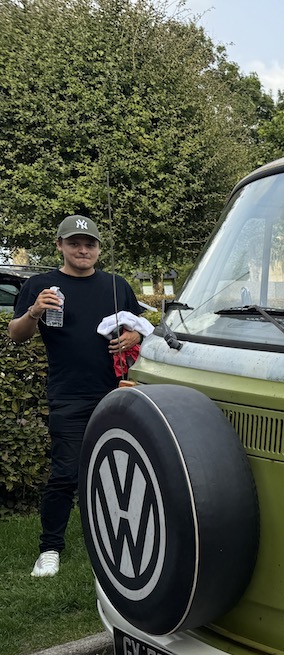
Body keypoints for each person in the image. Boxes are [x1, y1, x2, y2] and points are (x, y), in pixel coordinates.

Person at [8, 215, 143, 577]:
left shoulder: (117, 285)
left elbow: (141, 328)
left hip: (118, 393)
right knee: (66, 474)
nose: (83, 250)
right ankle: (49, 549)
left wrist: (136, 338)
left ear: (99, 248)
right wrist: (35, 311)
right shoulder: (42, 285)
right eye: (74, 243)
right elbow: (16, 335)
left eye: (90, 244)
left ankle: (118, 541)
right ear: (60, 246)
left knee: (119, 472)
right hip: (69, 394)